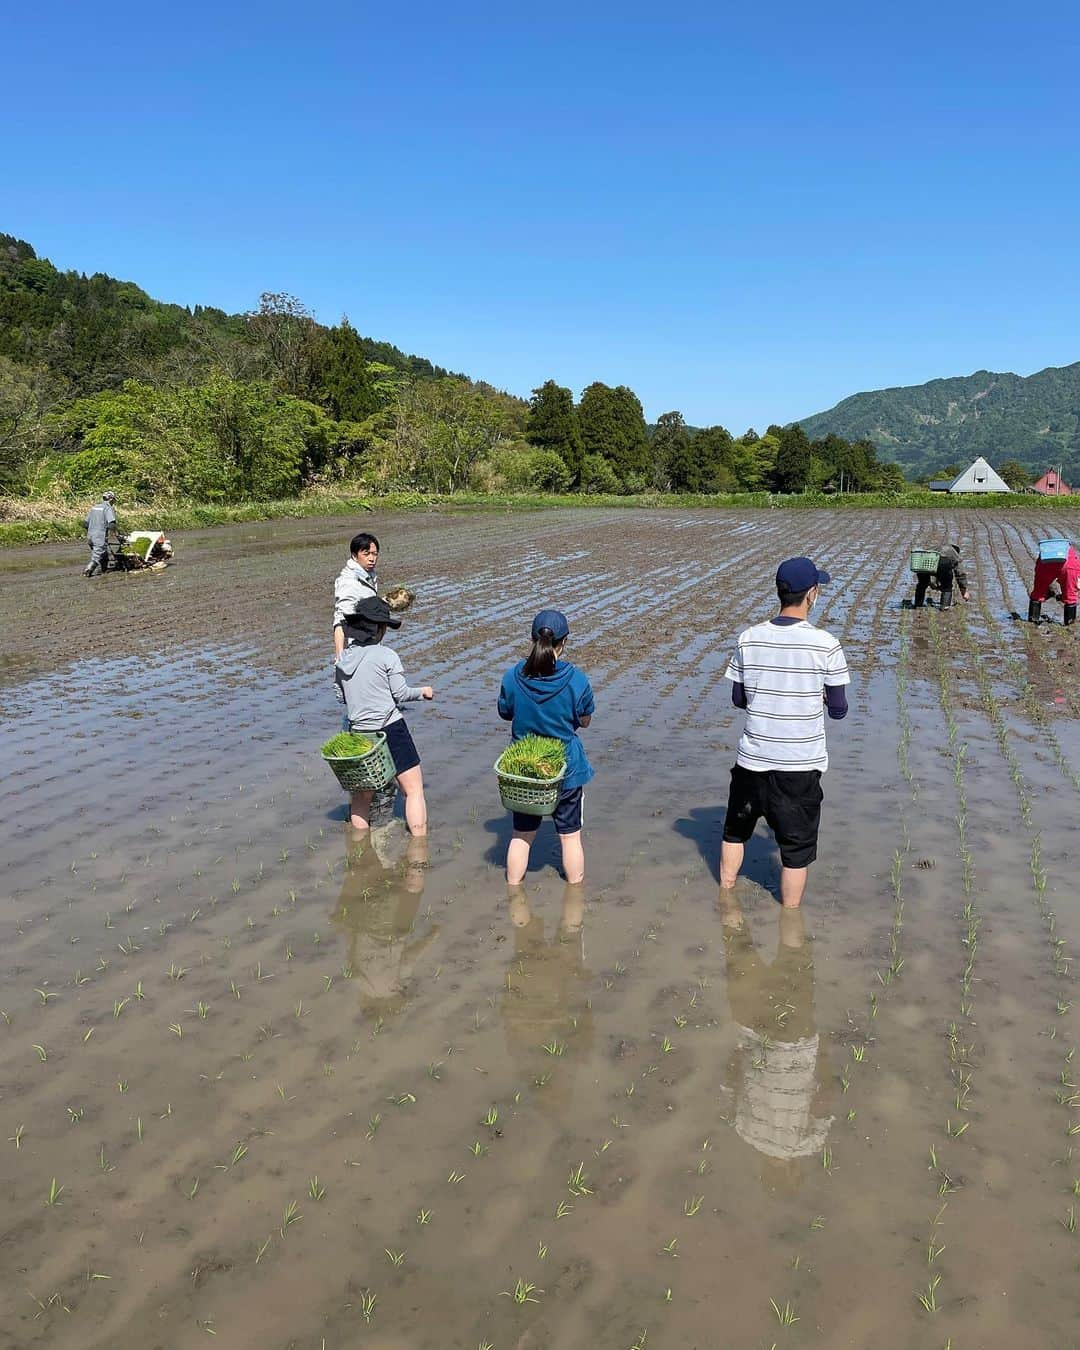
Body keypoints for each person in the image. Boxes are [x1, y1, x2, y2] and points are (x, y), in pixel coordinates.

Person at [721, 557, 850, 908]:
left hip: (752, 761)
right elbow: (839, 711)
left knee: (735, 832)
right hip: (799, 767)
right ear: (813, 594)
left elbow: (738, 698)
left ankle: (726, 900)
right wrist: (820, 696)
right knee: (796, 851)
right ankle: (789, 921)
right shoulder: (827, 644)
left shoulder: (749, 637)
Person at [498, 609, 595, 886]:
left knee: (521, 835)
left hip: (526, 771)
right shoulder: (577, 680)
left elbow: (505, 712)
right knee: (570, 835)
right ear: (563, 643)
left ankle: (513, 894)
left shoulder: (513, 676)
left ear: (532, 639)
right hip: (565, 769)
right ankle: (574, 902)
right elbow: (585, 721)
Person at [334, 596, 433, 834]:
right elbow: (400, 693)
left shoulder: (342, 660)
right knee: (414, 790)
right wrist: (423, 692)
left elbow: (341, 696)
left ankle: (359, 850)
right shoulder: (386, 655)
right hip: (390, 729)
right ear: (378, 628)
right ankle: (419, 849)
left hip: (359, 733)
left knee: (362, 796)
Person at [333, 532, 380, 658]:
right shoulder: (349, 581)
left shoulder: (369, 576)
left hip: (370, 643)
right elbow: (340, 620)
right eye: (366, 554)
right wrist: (340, 657)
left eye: (375, 554)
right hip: (356, 649)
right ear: (354, 556)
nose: (372, 558)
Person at [1028, 542, 1080, 626]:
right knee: (1071, 597)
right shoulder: (1073, 559)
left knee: (1037, 594)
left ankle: (1032, 623)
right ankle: (1070, 626)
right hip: (1069, 565)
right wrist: (1064, 596)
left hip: (1045, 563)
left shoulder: (1044, 556)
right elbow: (1076, 586)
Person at [913, 542, 968, 610]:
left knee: (922, 584)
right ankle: (945, 606)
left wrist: (930, 583)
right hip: (942, 562)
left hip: (922, 562)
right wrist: (964, 592)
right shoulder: (953, 552)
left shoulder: (935, 547)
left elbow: (934, 570)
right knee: (947, 586)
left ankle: (918, 604)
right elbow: (960, 573)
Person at [83, 490, 120, 576]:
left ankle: (104, 570)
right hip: (99, 537)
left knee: (103, 553)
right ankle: (88, 571)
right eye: (114, 500)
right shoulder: (107, 508)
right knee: (96, 556)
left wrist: (92, 530)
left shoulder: (94, 507)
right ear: (111, 499)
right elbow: (112, 524)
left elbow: (85, 523)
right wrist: (116, 534)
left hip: (90, 536)